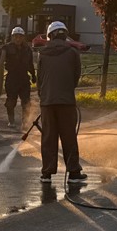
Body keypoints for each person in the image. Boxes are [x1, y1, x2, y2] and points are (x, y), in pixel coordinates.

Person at [37, 20, 86, 183]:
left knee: (48, 137)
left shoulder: (42, 53)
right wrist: (66, 90)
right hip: (66, 102)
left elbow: (40, 78)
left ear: (50, 36)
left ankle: (47, 173)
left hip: (47, 103)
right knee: (69, 136)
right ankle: (73, 172)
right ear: (65, 35)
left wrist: (44, 97)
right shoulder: (72, 53)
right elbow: (75, 76)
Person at [0, 26, 37, 128]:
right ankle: (11, 121)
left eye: (20, 37)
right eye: (15, 37)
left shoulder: (27, 49)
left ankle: (25, 122)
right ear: (12, 37)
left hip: (24, 78)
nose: (18, 39)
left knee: (26, 102)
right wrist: (3, 48)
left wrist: (33, 75)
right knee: (11, 101)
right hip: (12, 78)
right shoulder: (7, 48)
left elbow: (30, 64)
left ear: (23, 38)